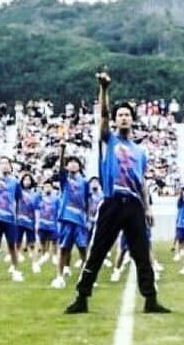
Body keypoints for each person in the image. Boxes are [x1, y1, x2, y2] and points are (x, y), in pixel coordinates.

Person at [65, 71, 170, 314]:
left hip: (133, 205)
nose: (123, 118)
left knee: (142, 253)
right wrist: (104, 89)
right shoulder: (108, 140)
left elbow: (142, 181)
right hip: (112, 202)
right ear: (115, 120)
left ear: (133, 120)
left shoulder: (140, 151)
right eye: (120, 115)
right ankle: (82, 297)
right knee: (98, 251)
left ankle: (150, 299)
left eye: (127, 115)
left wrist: (147, 208)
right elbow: (102, 115)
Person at [52, 142, 89, 289]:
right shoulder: (65, 181)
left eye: (75, 163)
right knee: (64, 248)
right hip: (67, 219)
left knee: (83, 249)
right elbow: (60, 169)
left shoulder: (85, 182)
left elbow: (87, 200)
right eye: (70, 163)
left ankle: (87, 276)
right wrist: (62, 151)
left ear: (79, 166)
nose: (72, 165)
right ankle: (59, 276)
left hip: (80, 220)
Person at [0, 154, 23, 283]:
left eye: (7, 163)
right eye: (2, 163)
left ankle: (16, 270)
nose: (4, 165)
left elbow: (18, 200)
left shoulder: (15, 182)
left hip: (10, 219)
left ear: (11, 166)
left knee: (12, 245)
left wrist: (17, 217)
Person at [16, 172, 40, 272]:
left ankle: (34, 263)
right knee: (17, 243)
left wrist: (37, 222)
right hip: (19, 221)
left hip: (30, 222)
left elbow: (37, 209)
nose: (27, 182)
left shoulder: (35, 194)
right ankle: (15, 263)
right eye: (25, 180)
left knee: (32, 244)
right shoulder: (18, 192)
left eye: (29, 180)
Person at [37, 177, 60, 269]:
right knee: (43, 240)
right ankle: (44, 254)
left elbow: (58, 210)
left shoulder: (56, 199)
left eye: (49, 187)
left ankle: (54, 255)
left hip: (53, 224)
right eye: (46, 187)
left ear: (52, 188)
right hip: (42, 224)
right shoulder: (40, 198)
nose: (47, 188)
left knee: (54, 240)